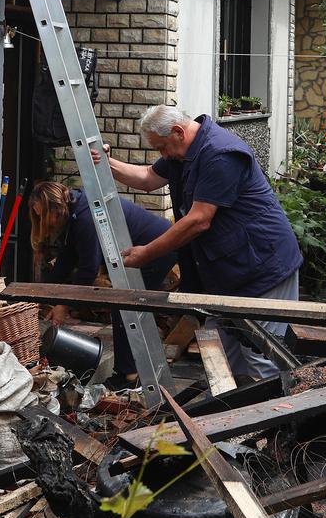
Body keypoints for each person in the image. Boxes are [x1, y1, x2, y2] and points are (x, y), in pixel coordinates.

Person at [96, 104, 303, 381]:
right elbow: (147, 178)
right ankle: (234, 419)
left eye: (162, 148)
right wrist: (105, 163)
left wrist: (147, 253)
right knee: (224, 362)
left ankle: (274, 419)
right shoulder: (183, 153)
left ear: (179, 132)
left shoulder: (220, 154)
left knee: (263, 355)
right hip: (230, 272)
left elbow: (198, 220)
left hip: (263, 268)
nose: (163, 155)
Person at [26, 180, 178, 381]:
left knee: (124, 306)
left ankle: (128, 375)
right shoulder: (74, 211)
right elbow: (67, 259)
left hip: (157, 248)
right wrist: (37, 294)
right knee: (125, 306)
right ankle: (134, 369)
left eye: (44, 216)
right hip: (146, 247)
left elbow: (88, 269)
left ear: (55, 206)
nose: (46, 222)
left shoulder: (85, 217)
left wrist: (64, 304)